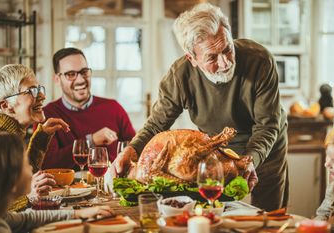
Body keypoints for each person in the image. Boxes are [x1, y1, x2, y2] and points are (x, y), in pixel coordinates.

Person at [112, 3, 288, 211]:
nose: (224, 63)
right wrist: (131, 151)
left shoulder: (259, 60)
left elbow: (267, 126)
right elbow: (156, 125)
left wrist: (249, 161)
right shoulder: (180, 77)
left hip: (264, 149)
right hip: (214, 152)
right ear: (192, 58)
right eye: (212, 57)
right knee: (215, 214)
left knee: (268, 217)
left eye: (227, 49)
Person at [0, 132, 113, 233]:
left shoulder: (0, 215)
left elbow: (27, 218)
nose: (32, 169)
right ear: (11, 178)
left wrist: (77, 213)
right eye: (26, 164)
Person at [0, 64, 70, 211]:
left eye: (39, 89)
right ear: (6, 105)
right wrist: (28, 195)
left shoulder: (10, 133)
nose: (42, 96)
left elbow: (21, 179)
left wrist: (41, 138)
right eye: (31, 91)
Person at [42, 47, 136, 169]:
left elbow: (134, 150)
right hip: (68, 187)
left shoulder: (113, 108)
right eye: (71, 74)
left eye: (84, 72)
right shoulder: (47, 115)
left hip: (112, 186)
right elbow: (47, 163)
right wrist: (91, 141)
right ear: (57, 79)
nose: (80, 80)